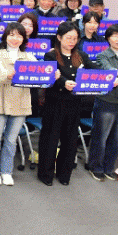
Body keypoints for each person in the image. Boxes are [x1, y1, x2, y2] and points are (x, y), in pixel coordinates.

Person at [37, 22, 97, 186]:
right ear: (59, 37)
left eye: (75, 38)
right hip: (54, 103)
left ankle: (64, 175)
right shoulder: (50, 55)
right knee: (50, 139)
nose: (72, 41)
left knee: (70, 140)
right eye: (68, 38)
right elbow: (52, 75)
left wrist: (112, 77)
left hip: (74, 103)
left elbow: (95, 70)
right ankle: (45, 174)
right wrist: (63, 82)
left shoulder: (81, 56)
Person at [0, 22, 38, 186]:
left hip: (21, 102)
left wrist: (51, 74)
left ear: (24, 39)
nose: (15, 39)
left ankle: (7, 171)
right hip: (0, 100)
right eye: (11, 35)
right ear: (5, 37)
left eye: (19, 35)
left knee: (11, 140)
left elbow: (39, 75)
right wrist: (8, 75)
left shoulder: (30, 57)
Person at [87, 24, 118, 181]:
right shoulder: (102, 56)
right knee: (101, 137)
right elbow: (106, 69)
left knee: (117, 138)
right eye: (115, 36)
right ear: (108, 39)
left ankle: (108, 167)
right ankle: (95, 167)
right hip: (106, 101)